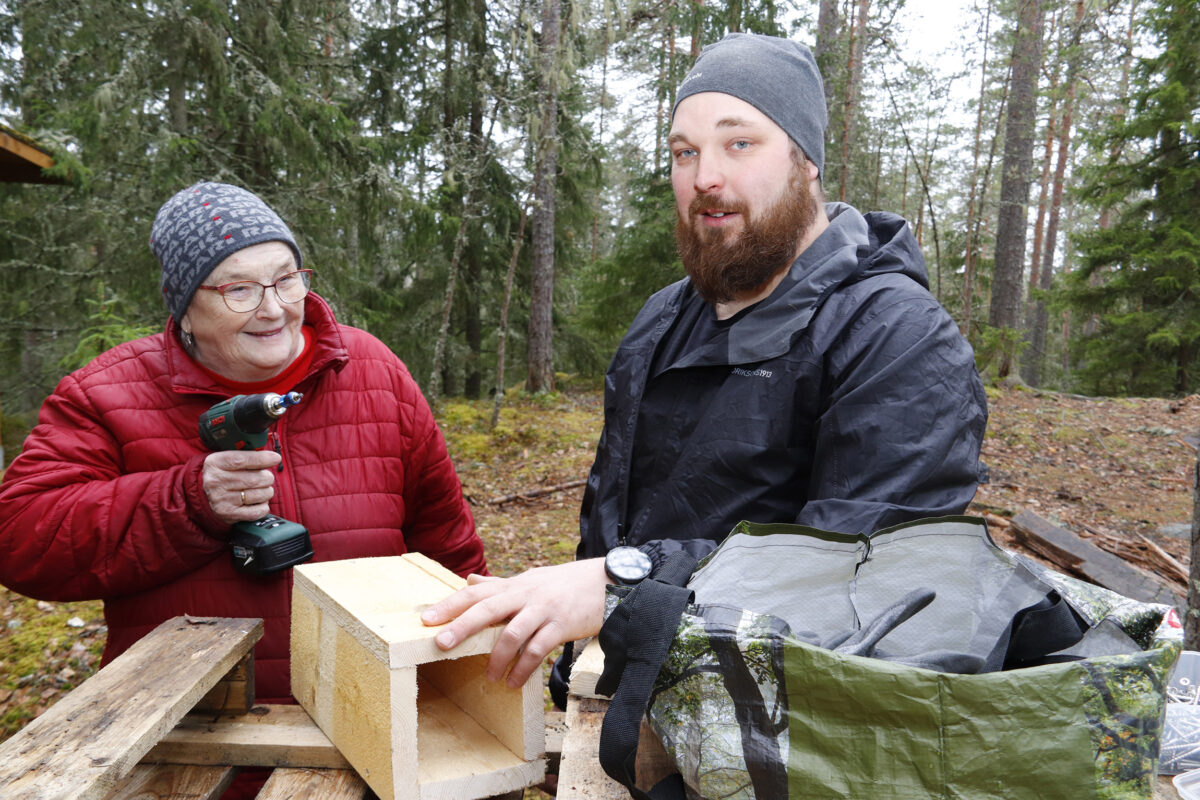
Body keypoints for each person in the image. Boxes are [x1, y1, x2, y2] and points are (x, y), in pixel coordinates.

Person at [420, 32, 987, 705]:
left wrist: (623, 582)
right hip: (627, 708)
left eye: (738, 143)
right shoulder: (662, 320)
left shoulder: (897, 338)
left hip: (784, 733)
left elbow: (864, 577)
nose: (705, 177)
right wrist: (585, 614)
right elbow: (610, 527)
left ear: (805, 161)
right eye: (684, 152)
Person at [0, 181, 487, 705]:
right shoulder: (107, 395)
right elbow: (20, 539)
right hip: (192, 734)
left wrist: (467, 685)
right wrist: (187, 503)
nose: (274, 309)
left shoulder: (371, 370)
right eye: (240, 290)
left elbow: (449, 549)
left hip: (370, 715)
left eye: (286, 281)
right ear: (185, 308)